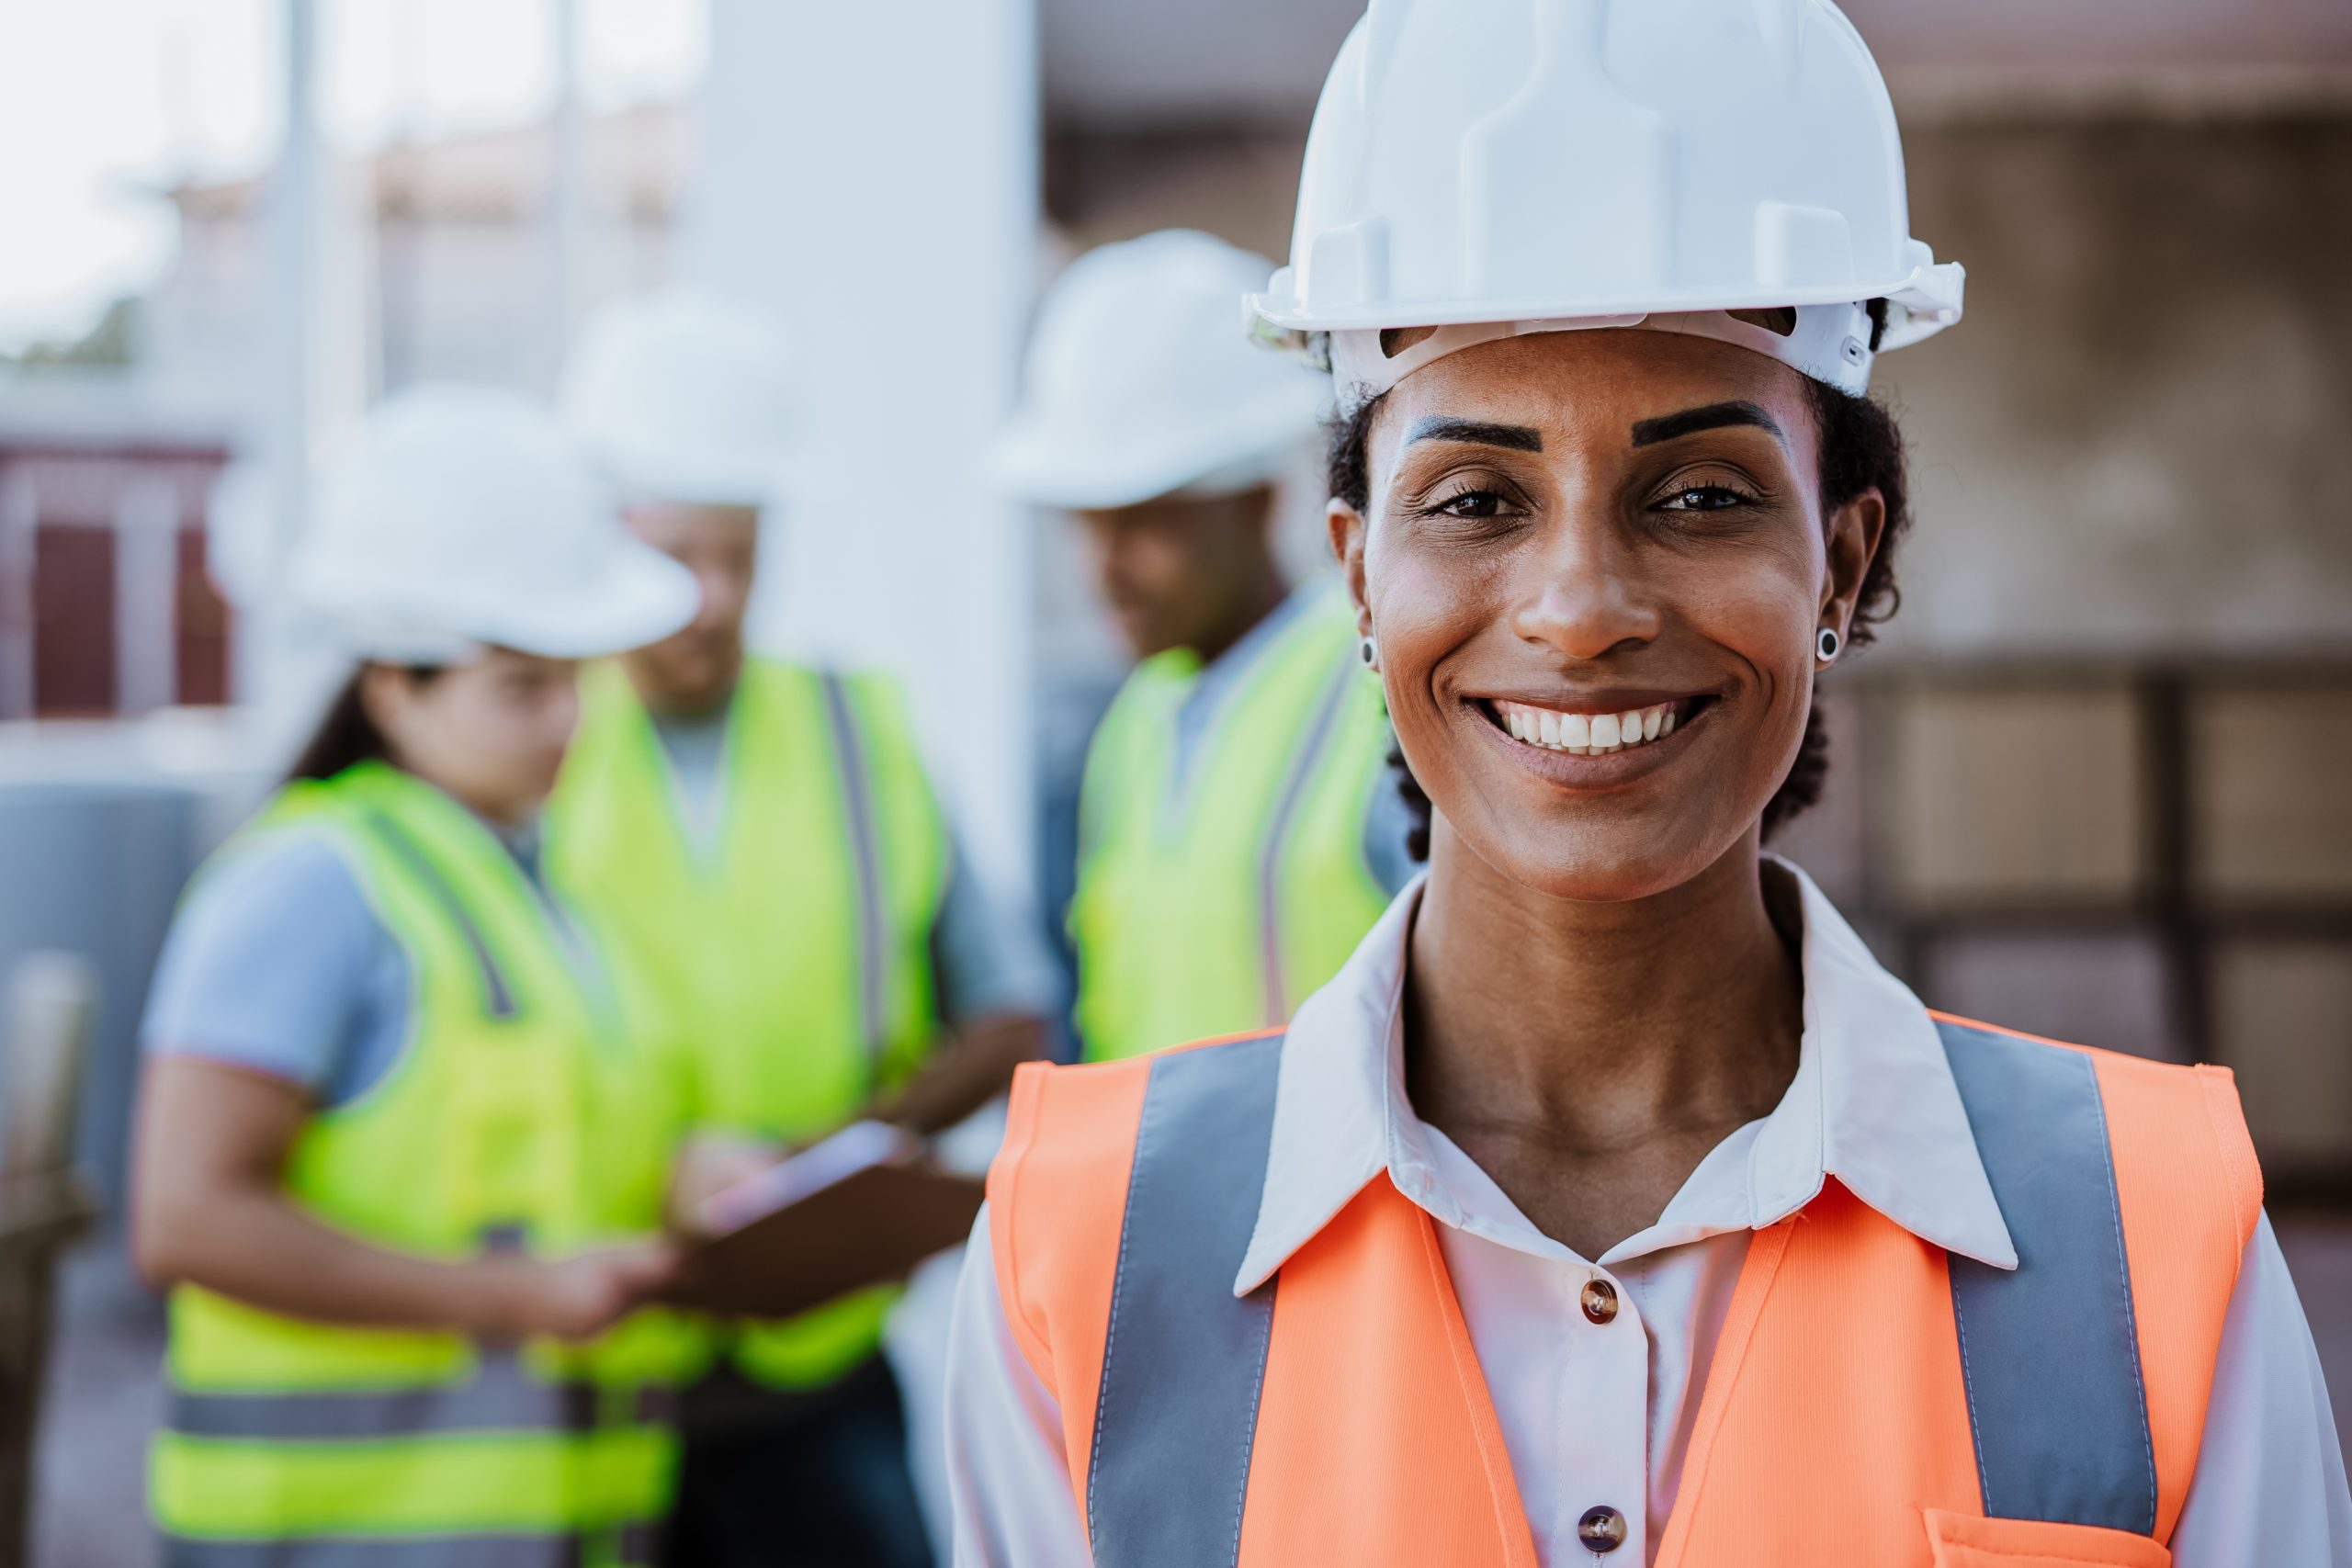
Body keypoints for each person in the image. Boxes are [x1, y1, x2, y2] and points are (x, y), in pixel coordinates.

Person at [944, 6, 2352, 1565]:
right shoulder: (1077, 1249)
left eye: (1700, 493)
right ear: (1358, 577)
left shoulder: (2152, 1237)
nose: (1580, 606)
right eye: (1476, 497)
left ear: (1845, 558)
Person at [133, 386, 706, 1565]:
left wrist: (698, 1178)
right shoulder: (309, 884)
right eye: (521, 687)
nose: (571, 722)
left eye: (575, 678)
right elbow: (185, 1218)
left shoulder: (526, 881)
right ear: (393, 689)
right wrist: (517, 1297)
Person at [549, 289, 1056, 1568]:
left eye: (739, 555)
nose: (709, 599)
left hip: (814, 1371)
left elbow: (1005, 1012)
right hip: (586, 1355)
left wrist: (831, 1165)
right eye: (674, 557)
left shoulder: (854, 733)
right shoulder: (527, 739)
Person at [989, 228, 1418, 1063]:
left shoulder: (1373, 690)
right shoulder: (1138, 721)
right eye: (1087, 526)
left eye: (1148, 522)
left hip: (1337, 1195)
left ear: (1255, 503)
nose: (1105, 568)